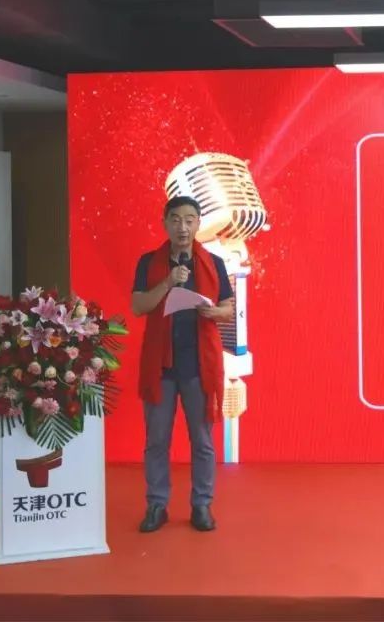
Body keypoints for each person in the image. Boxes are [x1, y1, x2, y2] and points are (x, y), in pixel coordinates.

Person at [131, 196, 234, 532]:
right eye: (176, 219)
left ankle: (202, 505)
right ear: (165, 223)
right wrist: (168, 282)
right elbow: (138, 306)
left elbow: (228, 307)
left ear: (198, 223)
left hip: (198, 367)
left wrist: (214, 312)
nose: (183, 227)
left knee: (202, 441)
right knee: (156, 441)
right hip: (160, 367)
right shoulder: (149, 262)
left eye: (190, 220)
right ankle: (156, 505)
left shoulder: (213, 263)